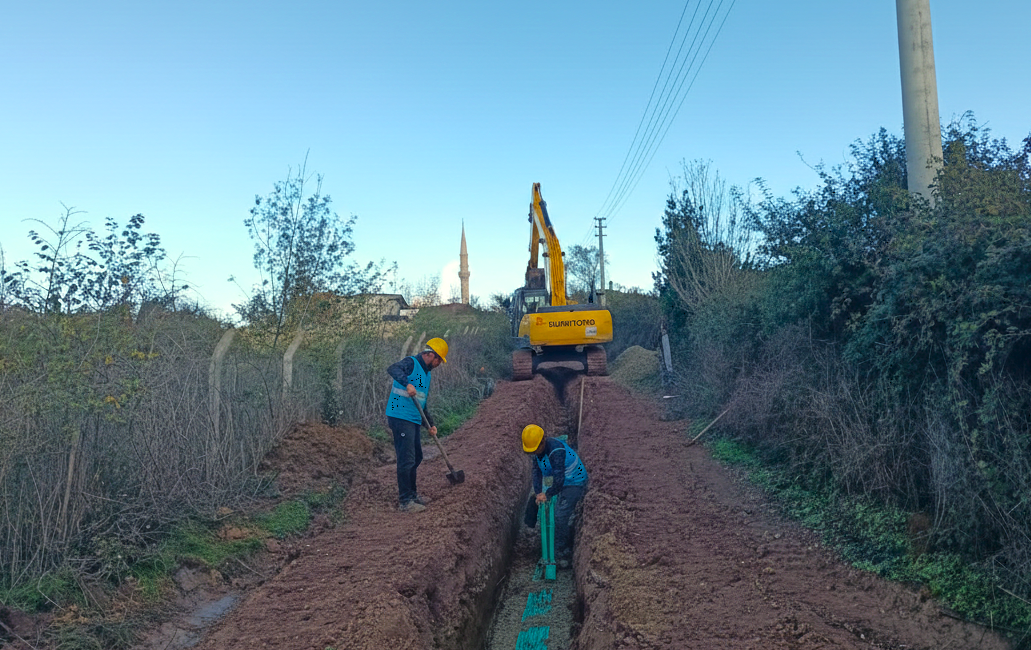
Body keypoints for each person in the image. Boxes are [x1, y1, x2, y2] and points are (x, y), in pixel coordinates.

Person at [386, 337, 448, 513]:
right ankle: (405, 501)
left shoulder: (427, 374)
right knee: (407, 459)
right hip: (400, 416)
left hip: (413, 418)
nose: (439, 364)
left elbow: (422, 402)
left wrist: (430, 424)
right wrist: (407, 384)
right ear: (431, 355)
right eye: (438, 360)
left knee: (417, 457)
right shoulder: (411, 363)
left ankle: (412, 495)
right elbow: (393, 368)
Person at [522, 423, 588, 568]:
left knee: (559, 516)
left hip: (574, 481)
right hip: (562, 481)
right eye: (532, 451)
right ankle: (534, 534)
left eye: (536, 449)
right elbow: (536, 472)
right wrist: (538, 493)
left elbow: (559, 480)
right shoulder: (537, 452)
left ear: (543, 441)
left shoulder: (556, 451)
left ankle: (560, 550)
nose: (534, 453)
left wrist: (548, 494)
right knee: (537, 502)